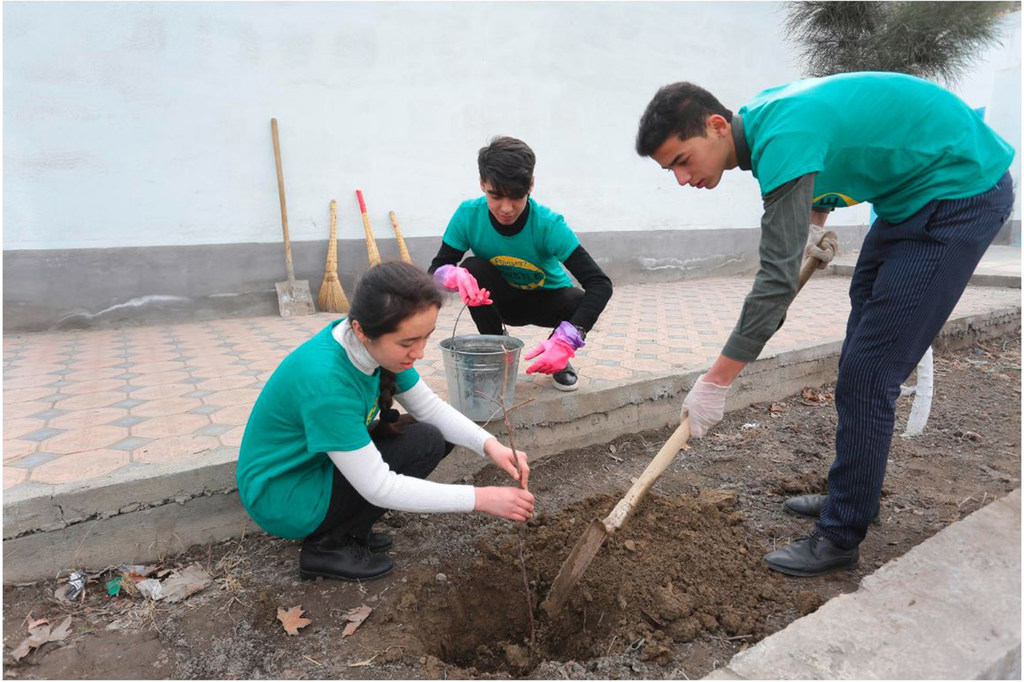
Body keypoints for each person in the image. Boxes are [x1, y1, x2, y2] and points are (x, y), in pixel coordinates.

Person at [635, 72, 1015, 577]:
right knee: (859, 355)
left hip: (958, 192)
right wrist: (815, 224)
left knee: (869, 372)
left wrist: (716, 382)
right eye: (671, 171)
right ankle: (853, 494)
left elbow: (774, 285)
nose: (682, 179)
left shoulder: (781, 135)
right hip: (907, 199)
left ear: (717, 126)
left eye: (683, 160)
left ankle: (840, 537)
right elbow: (833, 150)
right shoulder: (764, 118)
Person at [236, 261, 535, 582]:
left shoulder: (371, 344)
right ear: (362, 331)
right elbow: (380, 486)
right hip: (285, 495)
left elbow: (431, 408)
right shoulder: (327, 383)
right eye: (407, 343)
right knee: (419, 445)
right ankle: (326, 546)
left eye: (425, 338)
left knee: (430, 437)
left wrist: (490, 445)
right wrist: (481, 499)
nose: (419, 352)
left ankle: (350, 528)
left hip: (315, 466)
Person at [428, 136, 613, 392]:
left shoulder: (548, 224)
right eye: (495, 195)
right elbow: (434, 271)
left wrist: (567, 341)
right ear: (482, 184)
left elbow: (600, 284)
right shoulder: (468, 215)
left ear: (531, 185)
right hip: (500, 302)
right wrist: (449, 275)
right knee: (472, 268)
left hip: (546, 301)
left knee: (578, 300)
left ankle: (556, 356)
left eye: (516, 196)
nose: (506, 208)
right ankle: (496, 350)